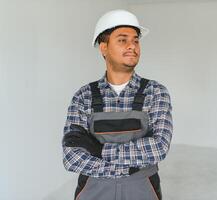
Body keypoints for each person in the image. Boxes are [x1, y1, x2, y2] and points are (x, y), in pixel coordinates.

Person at [62, 9, 173, 200]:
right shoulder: (83, 96)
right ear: (103, 48)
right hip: (93, 188)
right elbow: (71, 157)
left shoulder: (155, 92)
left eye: (136, 40)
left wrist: (99, 150)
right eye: (123, 40)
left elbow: (159, 148)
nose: (132, 46)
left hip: (142, 188)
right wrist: (128, 165)